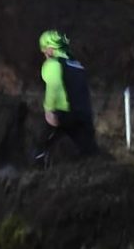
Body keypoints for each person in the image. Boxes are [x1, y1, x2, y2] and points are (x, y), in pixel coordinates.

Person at [36, 28, 96, 162]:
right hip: (85, 115)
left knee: (40, 146)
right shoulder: (78, 65)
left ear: (50, 49)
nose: (44, 55)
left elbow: (54, 87)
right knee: (90, 155)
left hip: (64, 114)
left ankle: (35, 169)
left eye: (44, 51)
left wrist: (49, 110)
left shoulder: (52, 64)